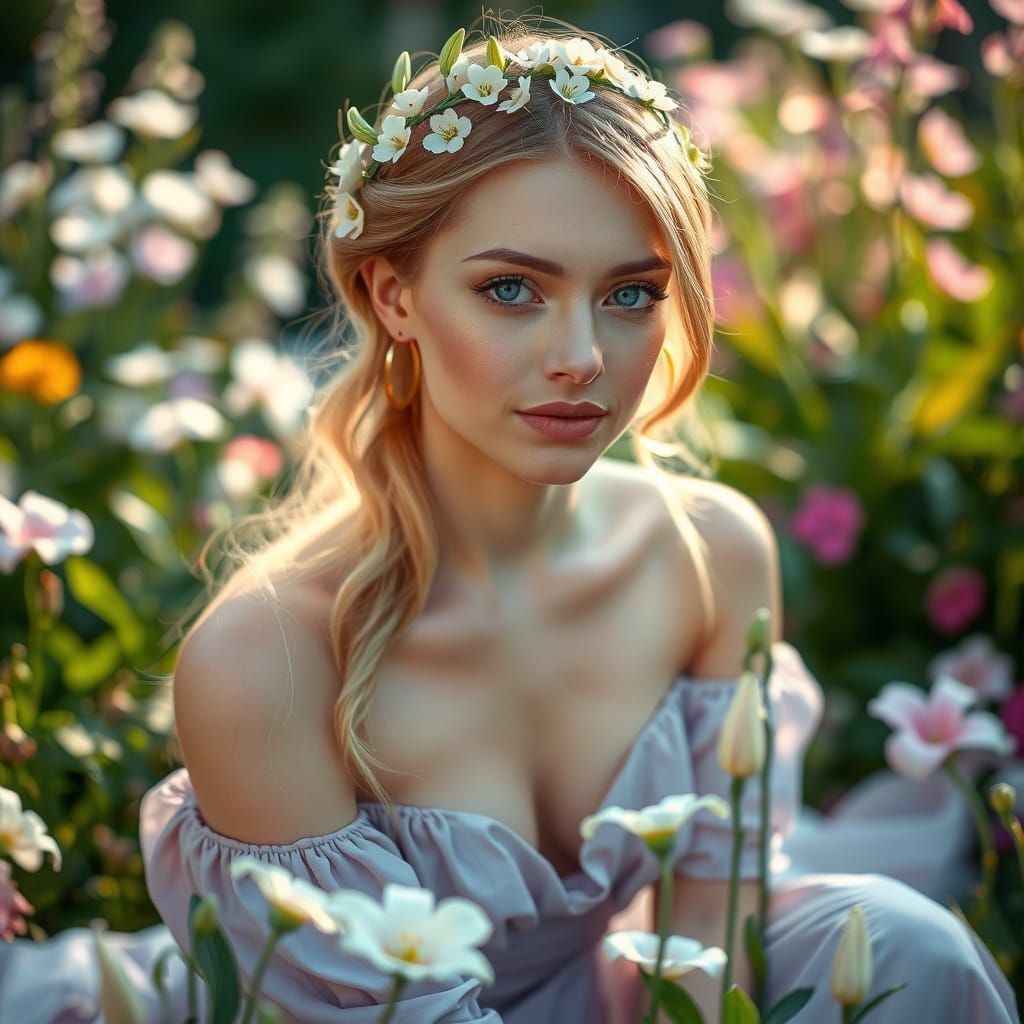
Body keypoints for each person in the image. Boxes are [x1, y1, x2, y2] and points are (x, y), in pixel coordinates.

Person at [0, 18, 1018, 1024]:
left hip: (633, 987)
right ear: (392, 294)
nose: (579, 355)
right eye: (511, 289)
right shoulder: (266, 658)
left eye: (629, 294)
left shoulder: (709, 553)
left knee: (909, 946)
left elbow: (710, 937)